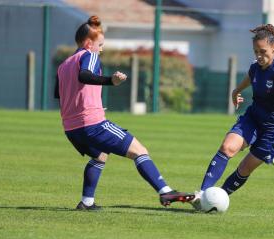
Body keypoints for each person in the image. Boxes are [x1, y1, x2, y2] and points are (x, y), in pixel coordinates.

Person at [55, 16, 194, 210]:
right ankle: (165, 192)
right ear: (88, 43)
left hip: (71, 128)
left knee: (100, 156)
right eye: (100, 44)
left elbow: (58, 94)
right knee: (140, 151)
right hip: (91, 124)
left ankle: (87, 203)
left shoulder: (64, 65)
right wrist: (111, 81)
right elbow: (84, 76)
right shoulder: (90, 54)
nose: (101, 49)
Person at [191, 24, 274, 209]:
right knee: (227, 148)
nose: (259, 56)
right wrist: (235, 92)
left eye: (263, 51)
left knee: (244, 169)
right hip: (253, 118)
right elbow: (245, 82)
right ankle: (202, 194)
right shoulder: (255, 68)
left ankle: (215, 201)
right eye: (255, 52)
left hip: (273, 129)